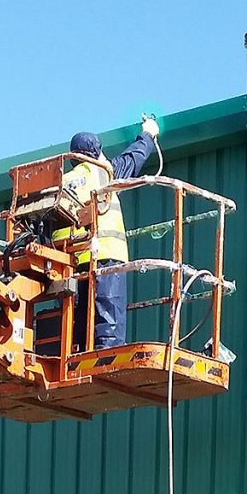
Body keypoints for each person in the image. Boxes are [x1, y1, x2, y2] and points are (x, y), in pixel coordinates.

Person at [52, 118, 160, 350]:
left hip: (72, 265)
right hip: (107, 256)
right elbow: (133, 158)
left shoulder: (61, 182)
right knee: (108, 317)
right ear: (96, 153)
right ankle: (107, 355)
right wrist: (148, 133)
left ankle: (78, 354)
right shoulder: (104, 173)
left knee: (79, 320)